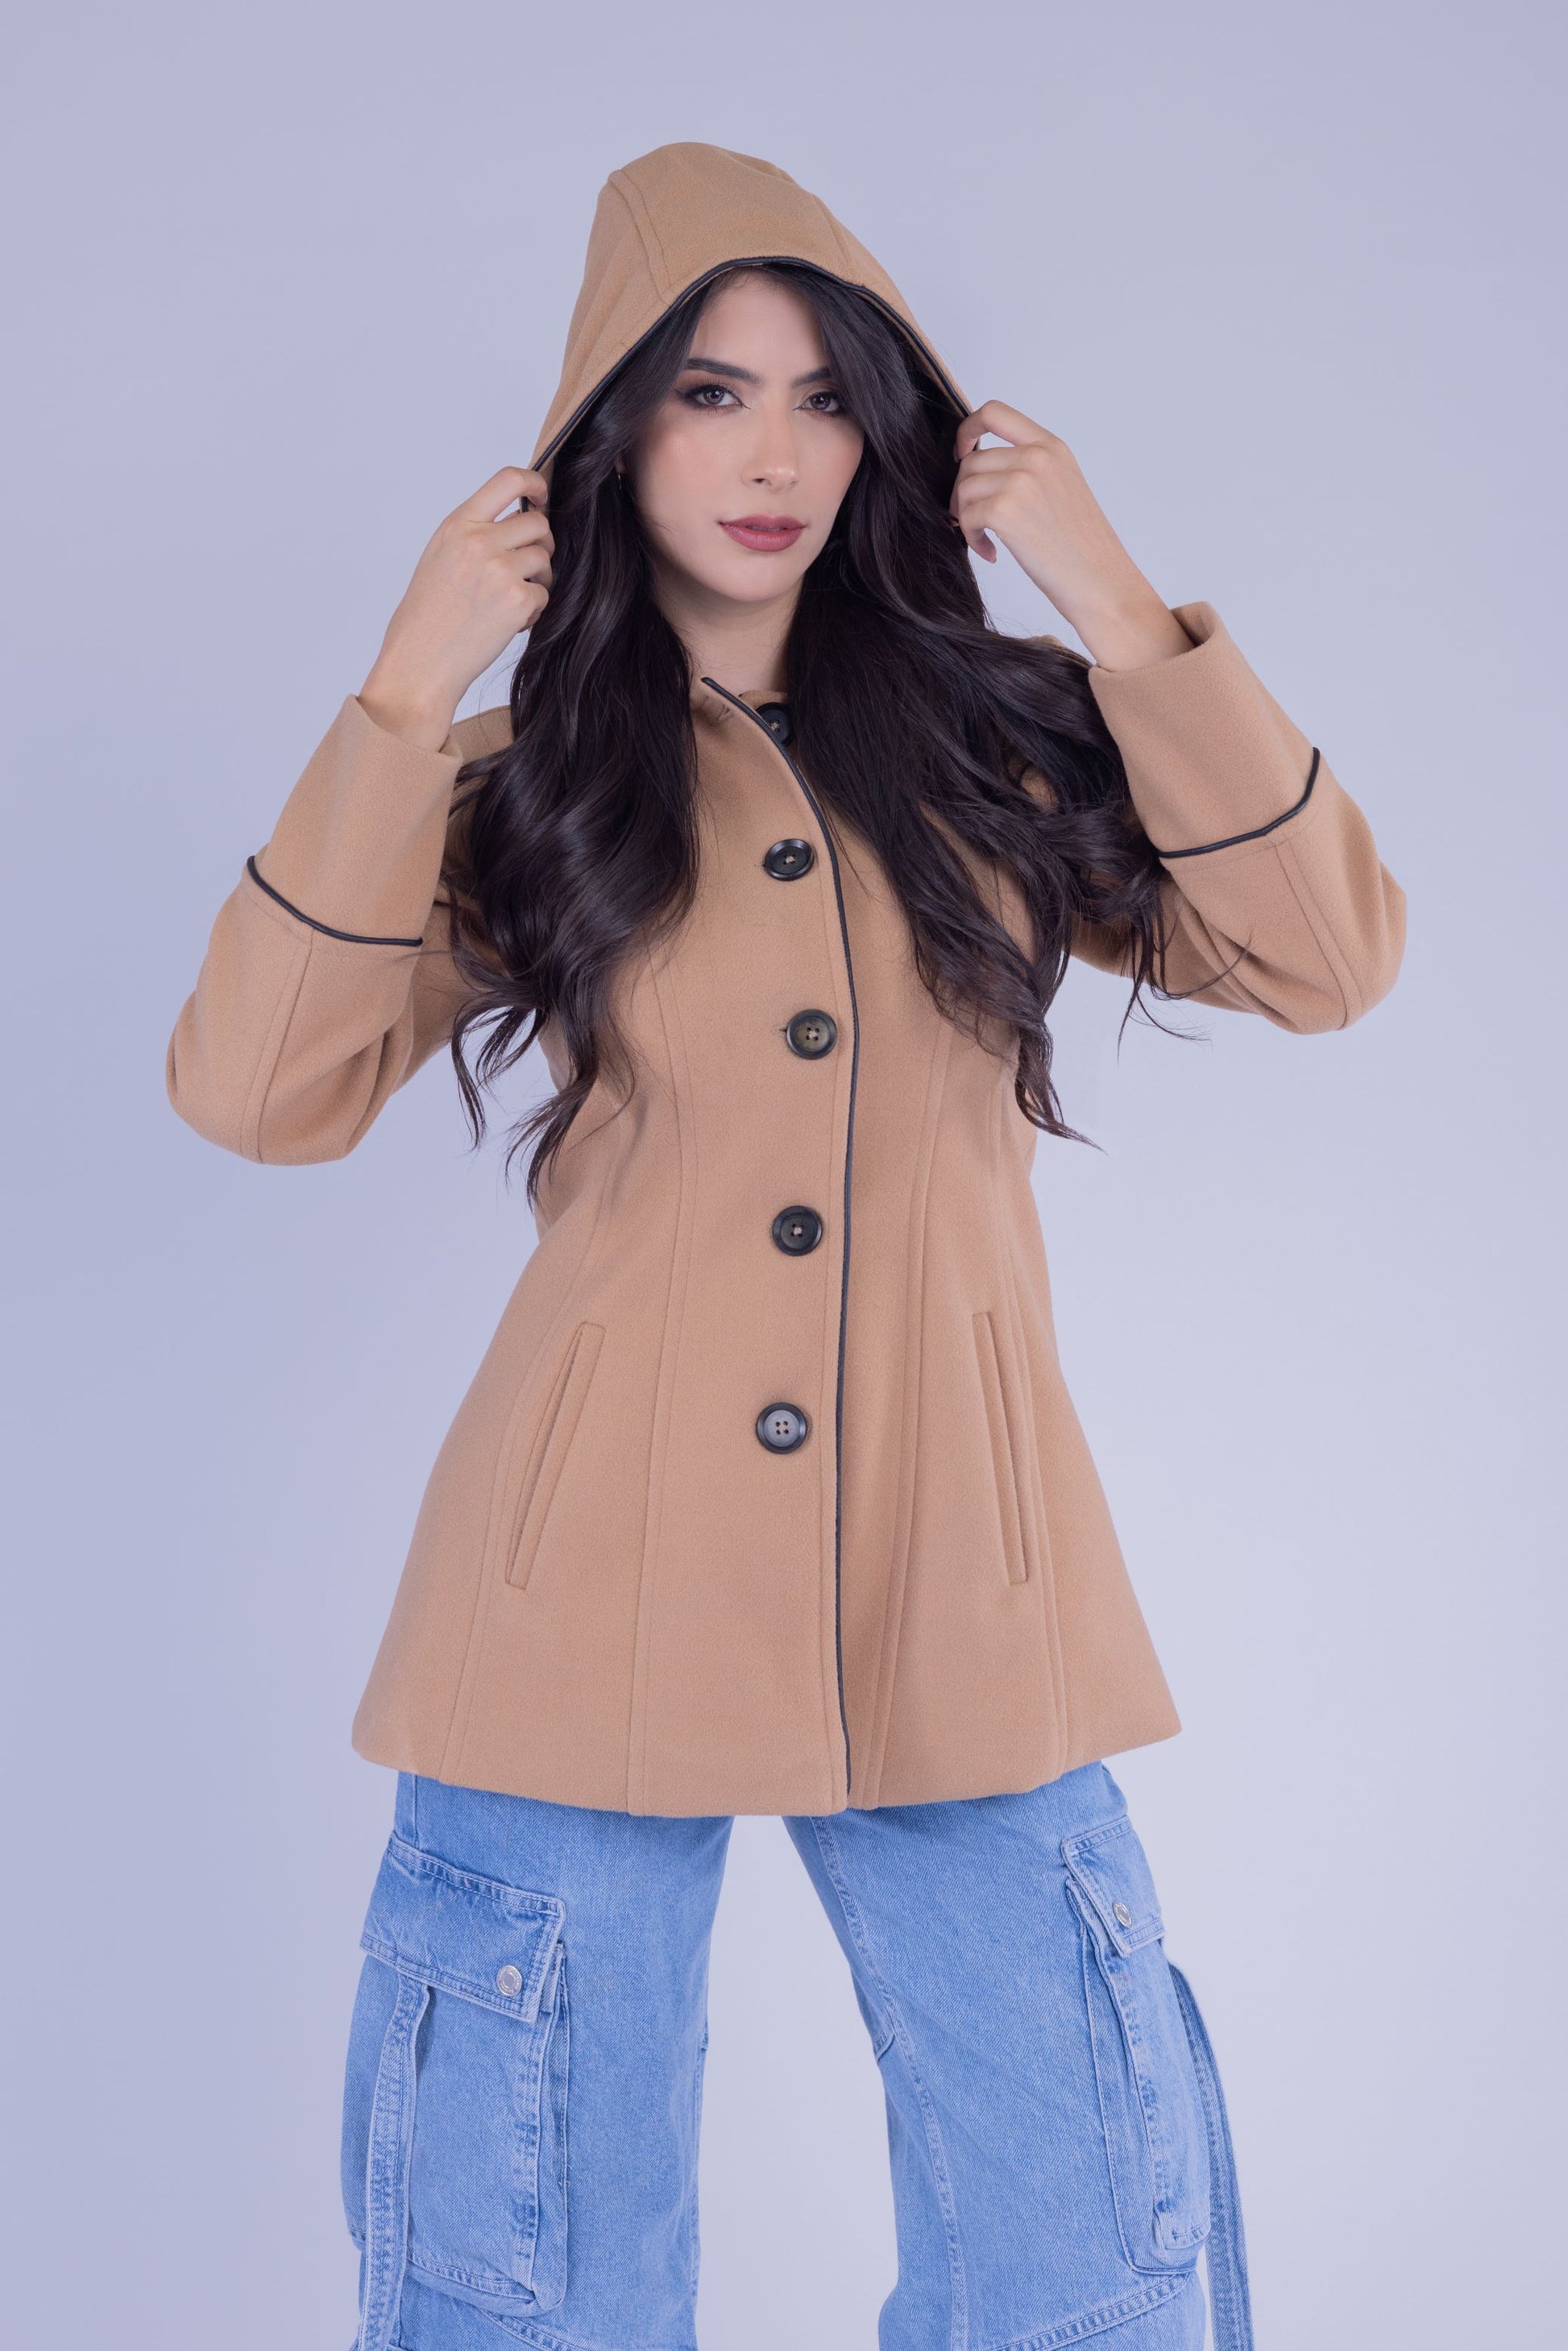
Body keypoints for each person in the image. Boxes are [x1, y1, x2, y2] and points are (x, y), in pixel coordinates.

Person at [166, 143, 1404, 2351]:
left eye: (826, 398)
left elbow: (1322, 960)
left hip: (966, 1575)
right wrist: (399, 692)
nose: (773, 456)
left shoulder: (995, 750)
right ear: (610, 431)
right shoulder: (518, 781)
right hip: (572, 1589)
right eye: (712, 393)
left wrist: (1120, 607)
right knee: (526, 2289)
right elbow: (258, 1093)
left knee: (1084, 2274)